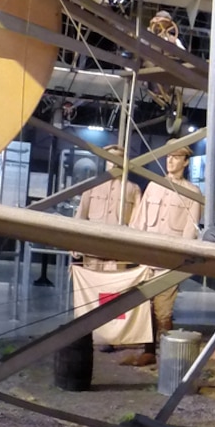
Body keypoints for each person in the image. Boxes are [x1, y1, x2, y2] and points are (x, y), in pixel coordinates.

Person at [116, 148, 202, 369]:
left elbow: (189, 233)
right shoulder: (154, 186)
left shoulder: (193, 192)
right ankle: (147, 351)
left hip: (169, 263)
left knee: (163, 310)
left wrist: (180, 260)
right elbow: (140, 221)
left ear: (186, 162)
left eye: (176, 157)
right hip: (146, 259)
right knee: (143, 307)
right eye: (168, 157)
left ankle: (168, 356)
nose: (171, 161)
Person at [71, 147, 141, 349]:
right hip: (92, 254)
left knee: (112, 295)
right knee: (89, 294)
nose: (113, 163)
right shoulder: (91, 188)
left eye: (118, 159)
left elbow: (137, 225)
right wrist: (74, 244)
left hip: (116, 256)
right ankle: (86, 333)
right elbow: (80, 218)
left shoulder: (132, 190)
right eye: (110, 159)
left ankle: (108, 336)